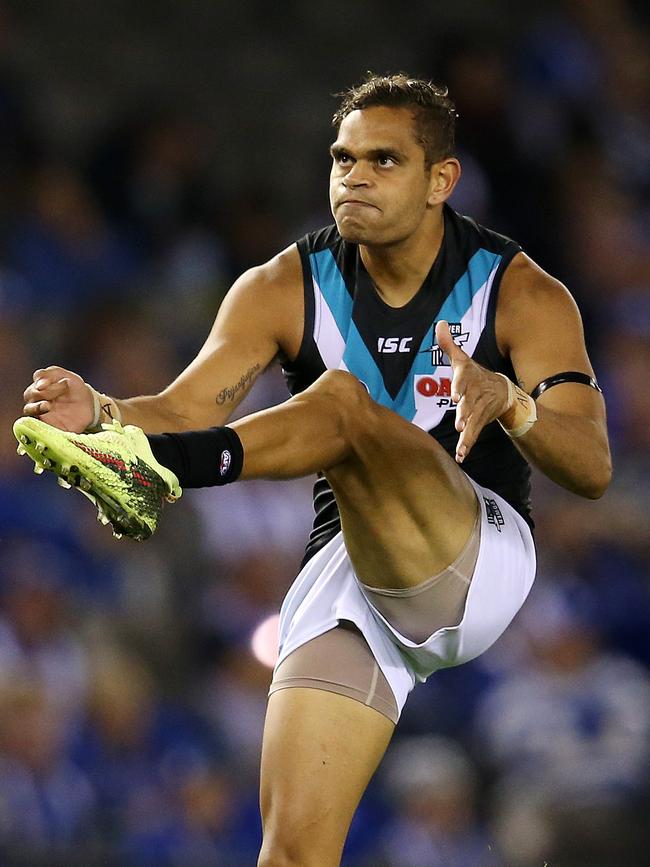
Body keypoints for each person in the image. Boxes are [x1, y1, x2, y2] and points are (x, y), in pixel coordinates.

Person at [14, 73, 611, 867]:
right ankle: (147, 467)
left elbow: (594, 465)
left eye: (383, 160)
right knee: (293, 852)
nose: (354, 176)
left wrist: (511, 400)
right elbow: (186, 406)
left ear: (443, 180)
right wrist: (101, 412)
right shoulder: (283, 284)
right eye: (342, 158)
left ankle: (155, 474)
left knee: (342, 405)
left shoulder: (519, 291)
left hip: (479, 556)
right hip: (351, 575)